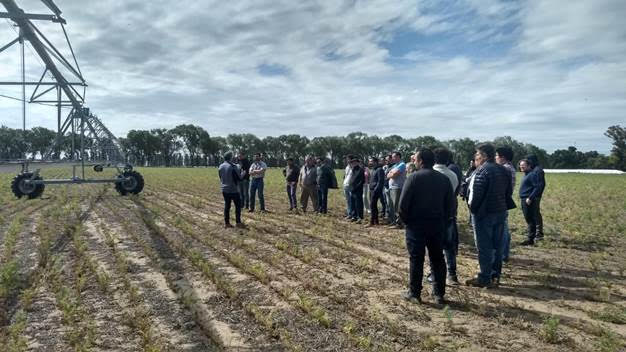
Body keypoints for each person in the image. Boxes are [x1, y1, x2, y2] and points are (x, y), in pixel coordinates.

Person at [398, 148, 455, 305]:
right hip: (437, 225)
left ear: (421, 161)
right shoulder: (444, 180)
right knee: (437, 259)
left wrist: (406, 222)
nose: (414, 161)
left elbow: (402, 205)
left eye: (415, 159)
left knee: (416, 259)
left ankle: (415, 293)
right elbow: (451, 205)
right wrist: (444, 221)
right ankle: (439, 294)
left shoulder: (413, 178)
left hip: (416, 226)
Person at [465, 143, 512, 288]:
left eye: (477, 155)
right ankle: (495, 275)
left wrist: (473, 210)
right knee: (497, 246)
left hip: (484, 214)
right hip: (500, 211)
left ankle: (484, 277)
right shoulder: (503, 170)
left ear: (484, 156)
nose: (476, 158)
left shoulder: (481, 171)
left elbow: (476, 195)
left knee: (484, 246)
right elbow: (508, 192)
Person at [433, 147, 460, 285]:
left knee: (434, 247)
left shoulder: (431, 173)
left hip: (433, 215)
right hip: (449, 214)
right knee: (449, 246)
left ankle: (434, 274)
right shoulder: (453, 175)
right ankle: (452, 274)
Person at [519, 155, 546, 245]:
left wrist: (532, 197)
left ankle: (537, 235)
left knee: (533, 216)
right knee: (532, 216)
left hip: (533, 197)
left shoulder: (537, 171)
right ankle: (534, 234)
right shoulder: (533, 171)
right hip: (531, 196)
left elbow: (539, 185)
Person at [495, 146, 516, 260]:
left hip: (501, 202)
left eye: (497, 156)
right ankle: (505, 254)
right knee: (504, 229)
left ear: (502, 157)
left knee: (503, 230)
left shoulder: (505, 169)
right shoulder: (509, 167)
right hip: (504, 201)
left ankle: (503, 254)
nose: (495, 158)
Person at [218, 152, 246, 229]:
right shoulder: (233, 166)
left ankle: (227, 223)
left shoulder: (220, 166)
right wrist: (243, 173)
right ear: (231, 158)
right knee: (238, 206)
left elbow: (220, 177)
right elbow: (239, 178)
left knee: (227, 206)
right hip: (233, 190)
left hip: (224, 189)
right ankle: (238, 222)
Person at [386, 151, 407, 228]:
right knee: (391, 205)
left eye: (394, 157)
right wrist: (390, 174)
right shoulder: (395, 165)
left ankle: (399, 223)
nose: (392, 158)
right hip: (392, 188)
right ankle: (394, 222)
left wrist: (390, 174)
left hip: (397, 188)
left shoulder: (402, 165)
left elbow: (394, 175)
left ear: (398, 157)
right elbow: (387, 175)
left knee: (396, 206)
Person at [367, 157, 385, 226]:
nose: (370, 162)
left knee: (372, 206)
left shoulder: (379, 170)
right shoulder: (373, 170)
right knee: (373, 206)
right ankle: (376, 221)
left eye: (371, 161)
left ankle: (371, 222)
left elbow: (380, 181)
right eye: (369, 161)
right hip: (371, 190)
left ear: (375, 162)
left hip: (375, 191)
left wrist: (375, 190)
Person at [348, 158, 365, 222]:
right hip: (352, 189)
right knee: (352, 203)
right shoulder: (353, 169)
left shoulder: (360, 170)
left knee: (358, 204)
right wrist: (351, 187)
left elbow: (361, 181)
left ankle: (359, 217)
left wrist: (356, 188)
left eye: (355, 162)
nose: (353, 163)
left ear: (358, 162)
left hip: (358, 190)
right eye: (352, 162)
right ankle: (353, 216)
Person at [342, 155, 355, 219]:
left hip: (351, 186)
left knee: (352, 201)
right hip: (345, 185)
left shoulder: (354, 167)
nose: (347, 160)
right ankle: (349, 213)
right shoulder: (347, 167)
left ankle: (353, 214)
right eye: (347, 159)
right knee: (348, 200)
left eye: (348, 159)